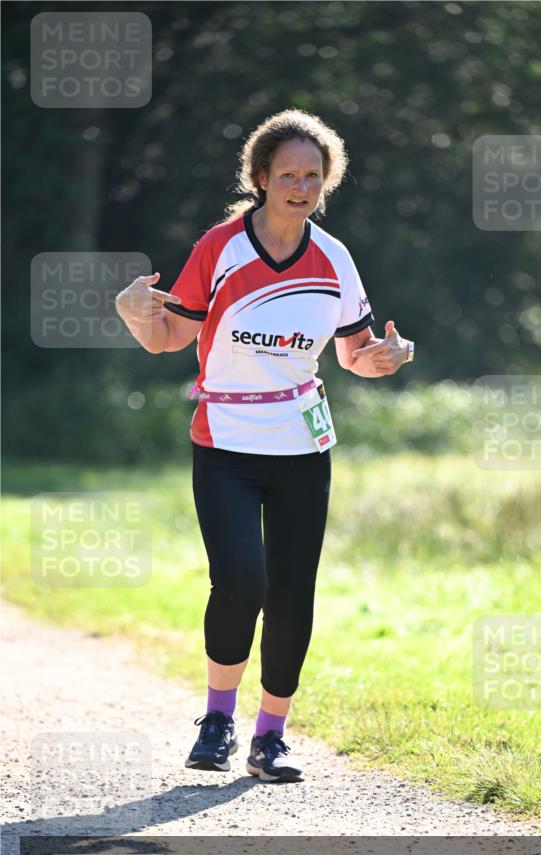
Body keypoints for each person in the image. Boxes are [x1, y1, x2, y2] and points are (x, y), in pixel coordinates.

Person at [115, 108, 414, 783]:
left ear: (326, 182)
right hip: (225, 441)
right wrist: (133, 314)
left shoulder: (334, 258)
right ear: (260, 178)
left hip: (302, 447)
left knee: (291, 591)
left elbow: (356, 355)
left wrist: (392, 356)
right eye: (288, 175)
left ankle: (270, 737)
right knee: (241, 579)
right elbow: (168, 338)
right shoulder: (220, 249)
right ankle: (218, 721)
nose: (300, 187)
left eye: (312, 176)